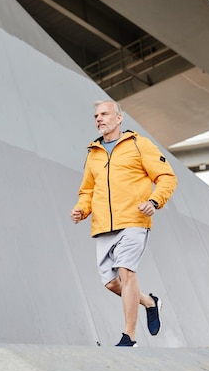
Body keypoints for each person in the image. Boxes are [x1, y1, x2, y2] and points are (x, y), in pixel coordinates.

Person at [70, 100, 177, 347]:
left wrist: (154, 201)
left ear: (119, 118)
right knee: (111, 282)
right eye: (96, 115)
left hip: (134, 219)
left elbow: (166, 177)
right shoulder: (93, 153)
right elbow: (87, 191)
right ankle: (150, 302)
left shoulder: (139, 145)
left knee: (126, 272)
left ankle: (129, 338)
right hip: (103, 226)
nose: (99, 118)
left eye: (105, 114)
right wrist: (81, 209)